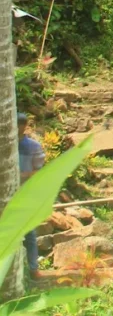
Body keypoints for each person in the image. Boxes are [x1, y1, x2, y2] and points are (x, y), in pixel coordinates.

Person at [18, 113, 45, 279]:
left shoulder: (33, 146)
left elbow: (39, 172)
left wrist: (21, 175)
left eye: (21, 125)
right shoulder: (5, 144)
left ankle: (33, 269)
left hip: (26, 194)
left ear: (25, 126)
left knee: (29, 233)